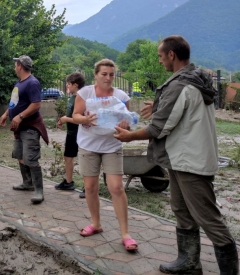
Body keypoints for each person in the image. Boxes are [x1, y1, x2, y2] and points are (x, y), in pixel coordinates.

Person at [114, 36, 238, 274]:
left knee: (208, 218)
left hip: (192, 161)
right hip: (181, 158)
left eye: (161, 56)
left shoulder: (181, 85)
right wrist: (159, 107)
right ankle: (188, 263)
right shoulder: (194, 79)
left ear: (171, 55)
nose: (160, 61)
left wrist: (129, 136)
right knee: (181, 210)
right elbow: (181, 114)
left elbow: (158, 128)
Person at [72, 58, 137, 252]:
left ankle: (125, 234)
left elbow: (128, 119)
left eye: (111, 74)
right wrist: (85, 118)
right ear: (96, 75)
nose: (108, 78)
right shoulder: (85, 93)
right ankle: (96, 224)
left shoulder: (121, 95)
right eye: (104, 74)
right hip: (88, 145)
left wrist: (127, 124)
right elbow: (75, 115)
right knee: (90, 188)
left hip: (112, 145)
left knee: (116, 188)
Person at [0, 56, 49, 204]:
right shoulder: (19, 83)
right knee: (20, 155)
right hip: (19, 128)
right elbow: (14, 103)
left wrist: (20, 117)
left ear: (20, 65)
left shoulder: (32, 83)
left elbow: (36, 104)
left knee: (31, 158)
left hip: (30, 127)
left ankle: (39, 190)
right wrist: (6, 114)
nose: (14, 67)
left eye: (16, 64)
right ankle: (27, 183)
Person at [55, 72, 85, 191]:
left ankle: (87, 187)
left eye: (69, 84)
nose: (67, 86)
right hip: (71, 133)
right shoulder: (72, 97)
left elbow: (82, 119)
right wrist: (63, 120)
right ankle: (68, 182)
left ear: (75, 85)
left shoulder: (81, 98)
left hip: (81, 133)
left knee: (84, 159)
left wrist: (66, 119)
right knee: (68, 156)